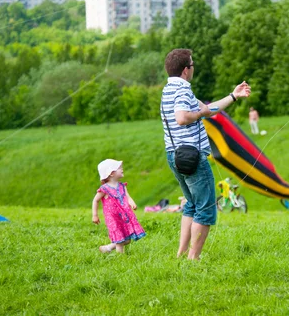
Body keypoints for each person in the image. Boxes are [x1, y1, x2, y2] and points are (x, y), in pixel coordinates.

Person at [161, 48, 251, 260]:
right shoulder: (182, 91)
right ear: (186, 70)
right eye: (192, 65)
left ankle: (181, 255)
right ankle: (194, 259)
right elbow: (183, 118)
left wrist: (233, 96)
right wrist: (200, 113)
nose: (193, 68)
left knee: (191, 205)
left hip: (174, 155)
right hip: (191, 157)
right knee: (206, 208)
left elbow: (209, 109)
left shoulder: (170, 89)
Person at [92, 159, 146, 254]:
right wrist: (95, 215)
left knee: (127, 239)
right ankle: (120, 258)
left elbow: (127, 196)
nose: (122, 169)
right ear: (111, 173)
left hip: (124, 215)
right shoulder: (105, 189)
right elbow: (95, 200)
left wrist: (131, 202)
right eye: (119, 168)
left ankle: (107, 248)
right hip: (113, 218)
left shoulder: (122, 186)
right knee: (120, 240)